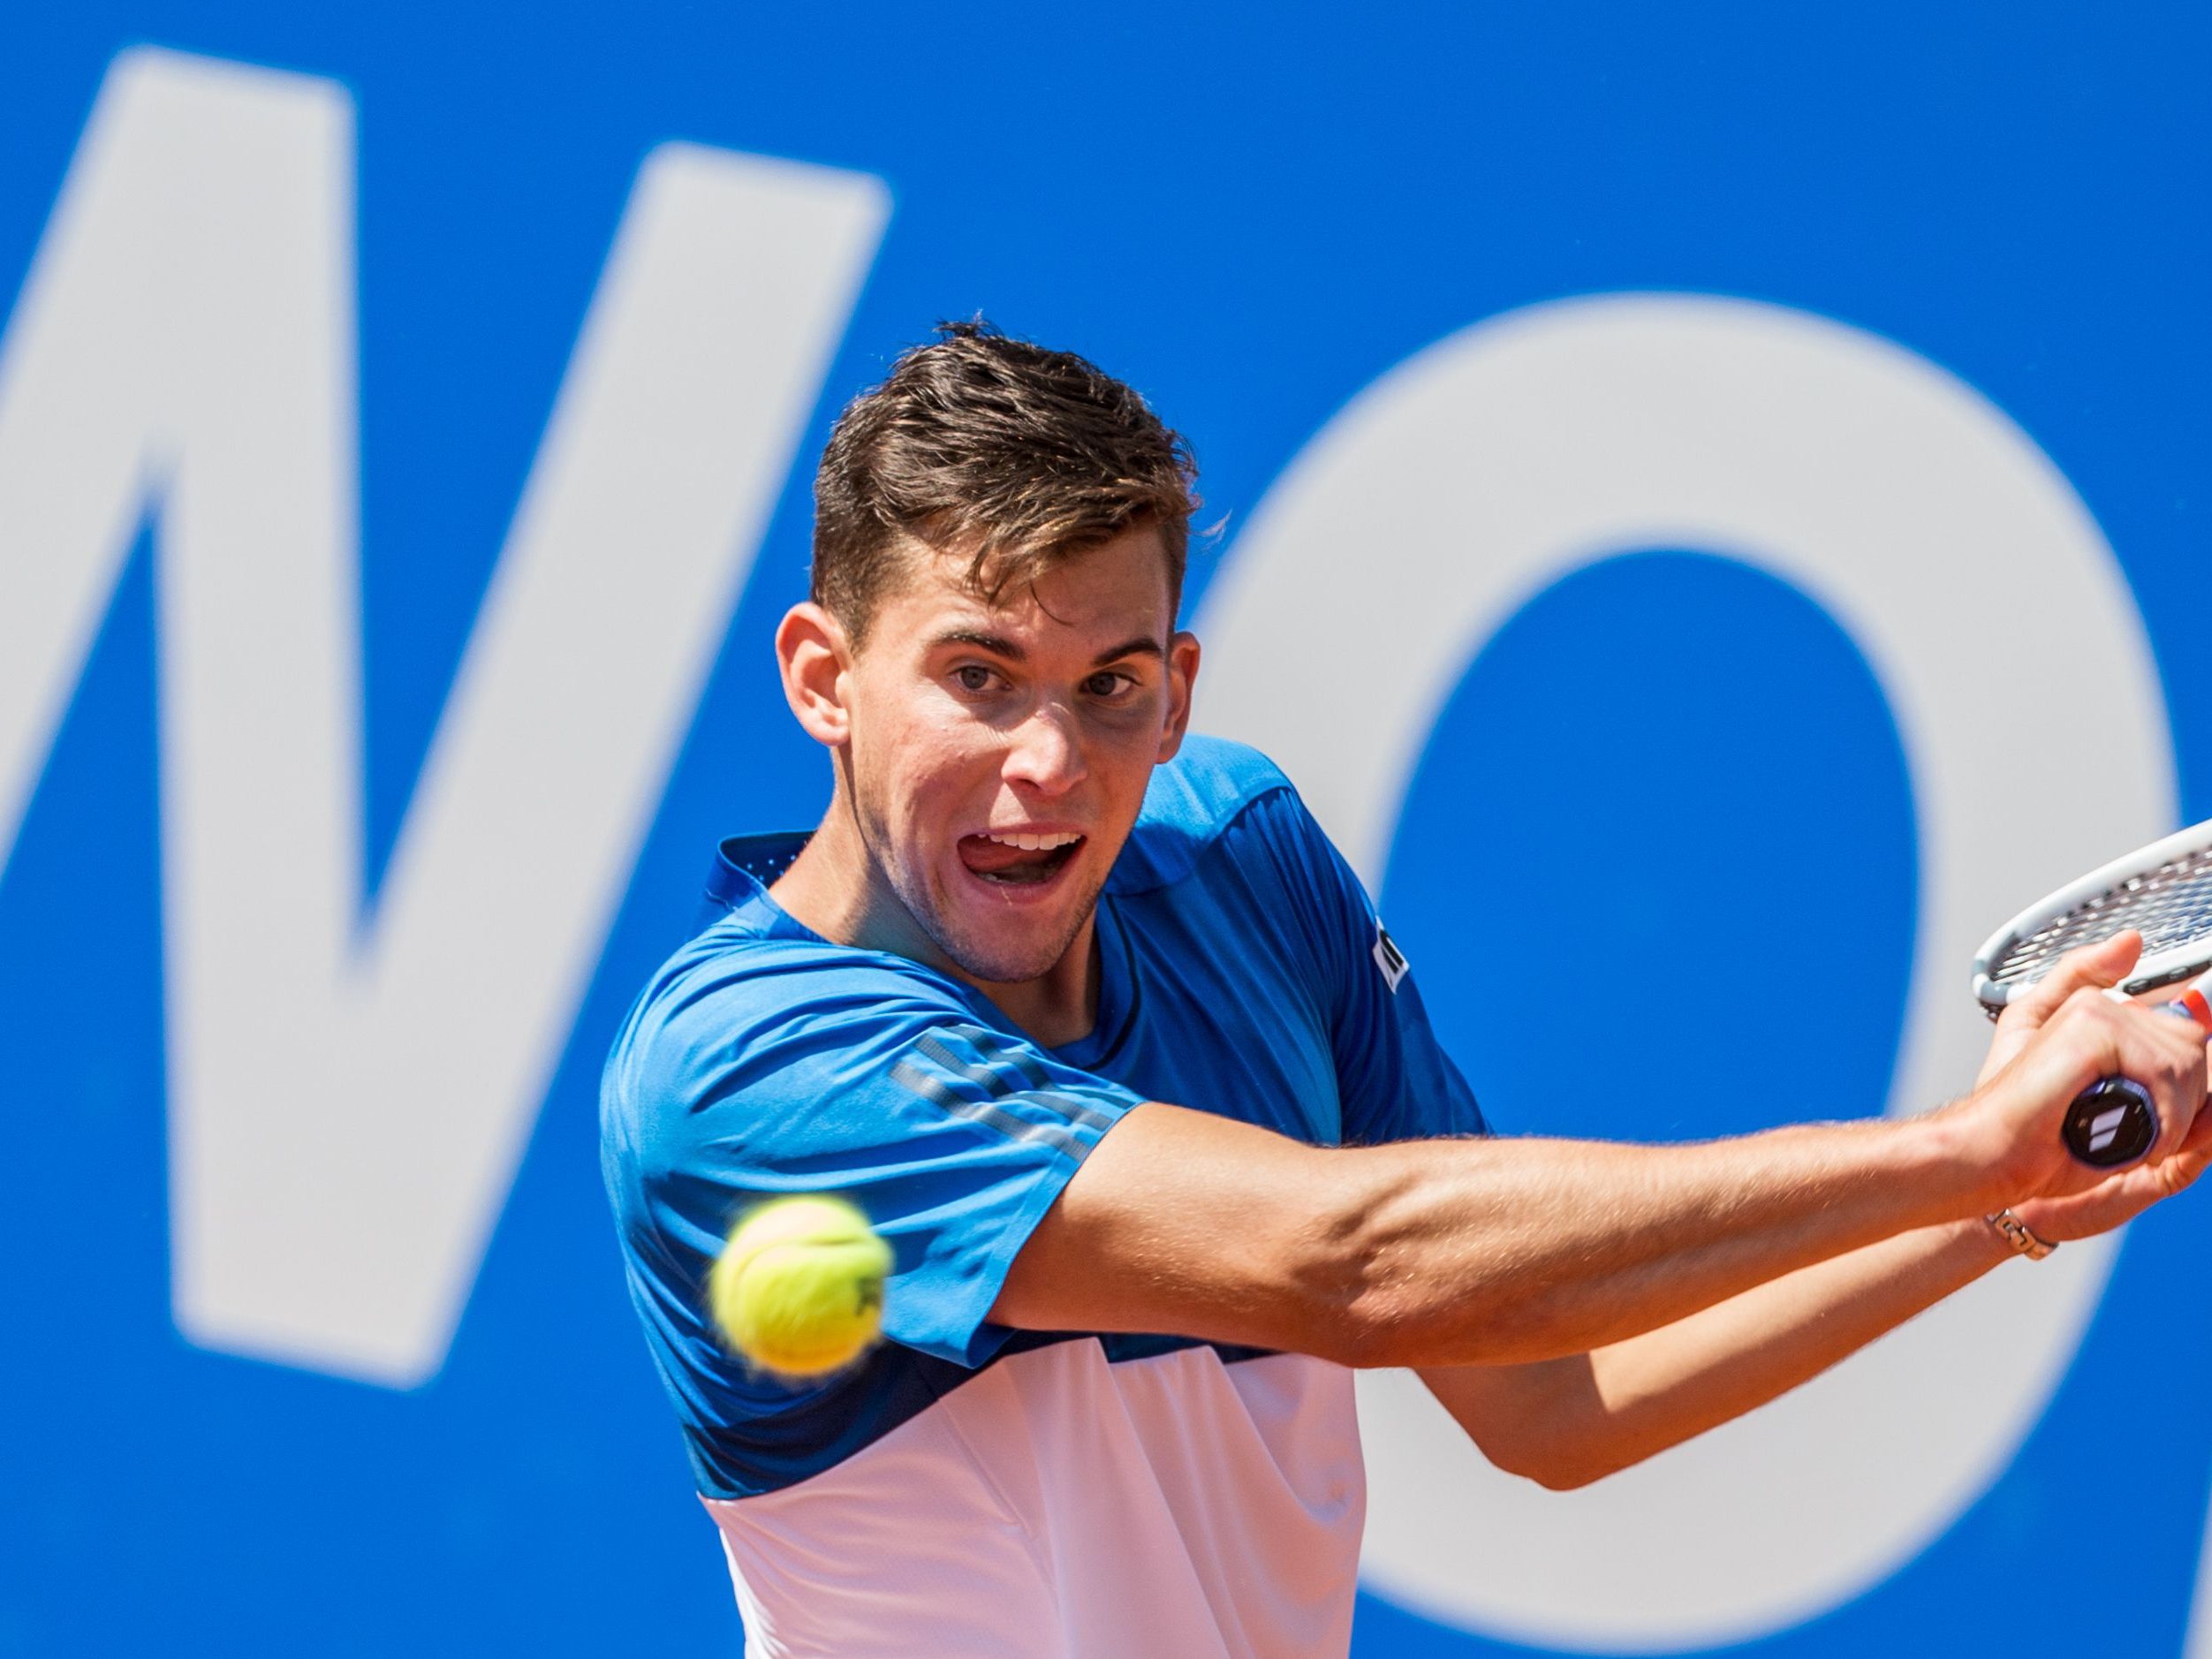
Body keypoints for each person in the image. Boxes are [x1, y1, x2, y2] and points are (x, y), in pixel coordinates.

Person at [599, 322, 2210, 1657]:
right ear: (822, 675)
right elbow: (1352, 1263)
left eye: (1109, 686)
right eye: (978, 677)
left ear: (1176, 695)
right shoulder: (745, 1074)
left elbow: (1554, 1399)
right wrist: (1961, 1146)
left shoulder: (1234, 854)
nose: (1050, 762)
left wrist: (2007, 1202)